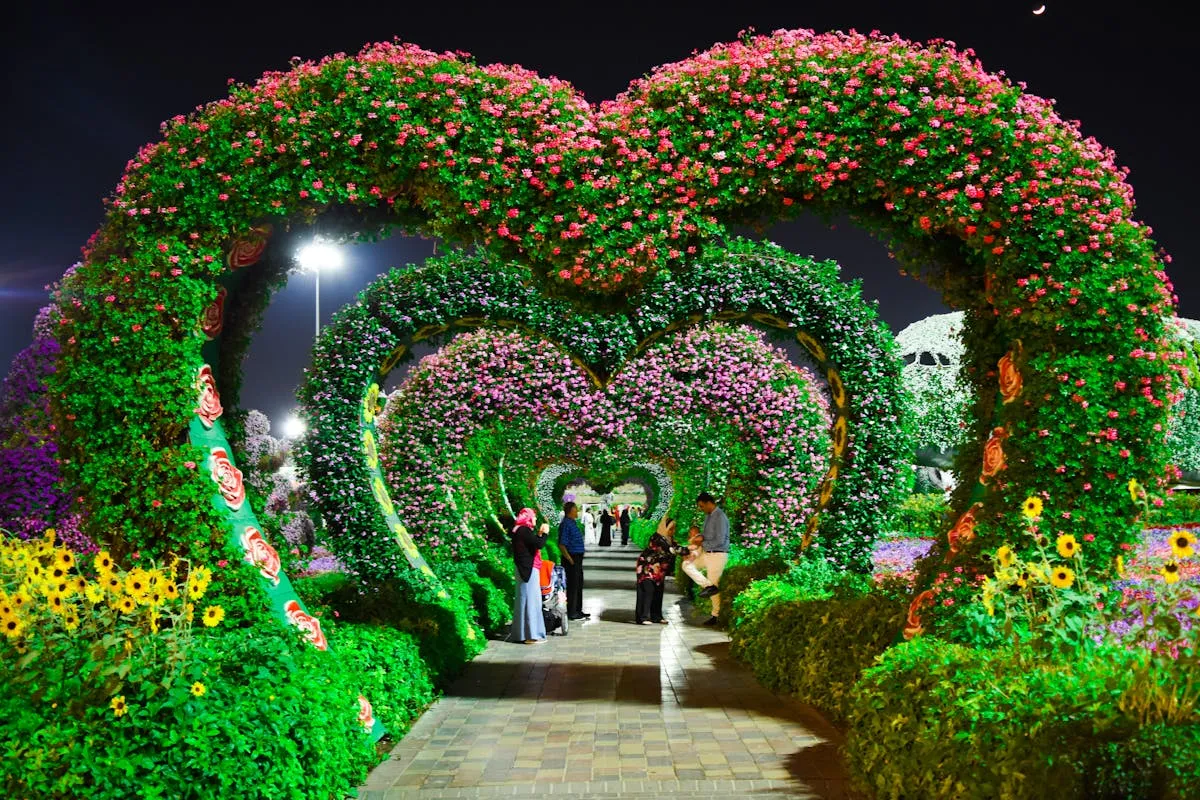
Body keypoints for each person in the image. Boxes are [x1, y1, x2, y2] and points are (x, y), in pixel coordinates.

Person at [680, 491, 729, 626]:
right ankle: (708, 586)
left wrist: (700, 542)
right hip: (707, 553)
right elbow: (707, 536)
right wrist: (698, 538)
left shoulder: (720, 517)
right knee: (687, 565)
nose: (701, 509)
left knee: (715, 583)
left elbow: (719, 540)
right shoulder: (708, 516)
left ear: (709, 503)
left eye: (702, 506)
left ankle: (716, 615)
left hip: (717, 554)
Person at [509, 507, 550, 644]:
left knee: (524, 601)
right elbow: (539, 544)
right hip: (528, 570)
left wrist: (538, 534)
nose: (535, 519)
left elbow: (532, 544)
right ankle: (531, 635)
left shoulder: (518, 530)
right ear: (528, 517)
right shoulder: (524, 531)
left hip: (523, 569)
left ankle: (522, 633)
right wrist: (544, 533)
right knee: (532, 602)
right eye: (533, 516)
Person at [635, 517, 685, 624]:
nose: (673, 531)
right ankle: (643, 617)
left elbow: (677, 549)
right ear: (665, 528)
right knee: (648, 591)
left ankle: (656, 616)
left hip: (659, 570)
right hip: (647, 567)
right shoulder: (657, 538)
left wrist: (689, 548)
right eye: (671, 528)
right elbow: (671, 550)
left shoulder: (670, 540)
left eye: (674, 528)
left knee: (658, 591)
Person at [559, 501, 589, 620]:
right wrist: (570, 560)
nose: (577, 511)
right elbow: (562, 544)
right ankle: (572, 612)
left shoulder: (572, 523)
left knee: (578, 584)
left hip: (577, 558)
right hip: (572, 558)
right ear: (570, 510)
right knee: (572, 586)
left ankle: (578, 610)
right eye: (576, 509)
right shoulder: (566, 524)